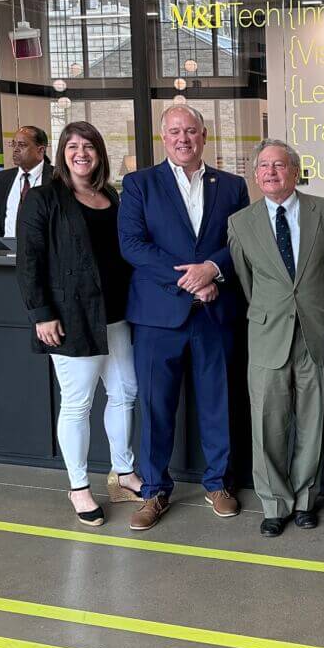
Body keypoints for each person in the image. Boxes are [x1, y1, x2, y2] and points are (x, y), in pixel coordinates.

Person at [117, 105, 250, 531]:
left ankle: (219, 484)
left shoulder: (231, 186)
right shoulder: (140, 183)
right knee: (156, 407)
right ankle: (154, 490)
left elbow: (242, 240)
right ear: (163, 137)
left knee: (219, 402)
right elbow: (132, 245)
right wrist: (191, 279)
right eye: (174, 131)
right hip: (158, 315)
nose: (183, 138)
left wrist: (213, 269)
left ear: (204, 135)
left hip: (215, 312)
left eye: (190, 130)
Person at [15, 121, 142, 526]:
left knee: (124, 392)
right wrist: (41, 314)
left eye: (89, 146)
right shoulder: (43, 198)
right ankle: (79, 487)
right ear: (61, 153)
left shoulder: (110, 195)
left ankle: (123, 473)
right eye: (73, 146)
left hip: (117, 315)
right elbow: (29, 260)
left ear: (100, 153)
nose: (81, 153)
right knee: (78, 403)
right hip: (70, 318)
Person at [227, 139, 324, 538]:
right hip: (267, 332)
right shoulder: (240, 223)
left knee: (314, 419)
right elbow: (246, 280)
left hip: (317, 331)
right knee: (268, 422)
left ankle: (306, 499)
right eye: (264, 167)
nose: (272, 172)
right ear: (255, 175)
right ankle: (275, 504)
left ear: (295, 171)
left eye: (280, 165)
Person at [0, 125, 53, 237]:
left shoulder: (59, 179)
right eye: (14, 144)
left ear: (40, 150)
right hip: (9, 252)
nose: (16, 149)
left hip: (46, 253)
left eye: (22, 145)